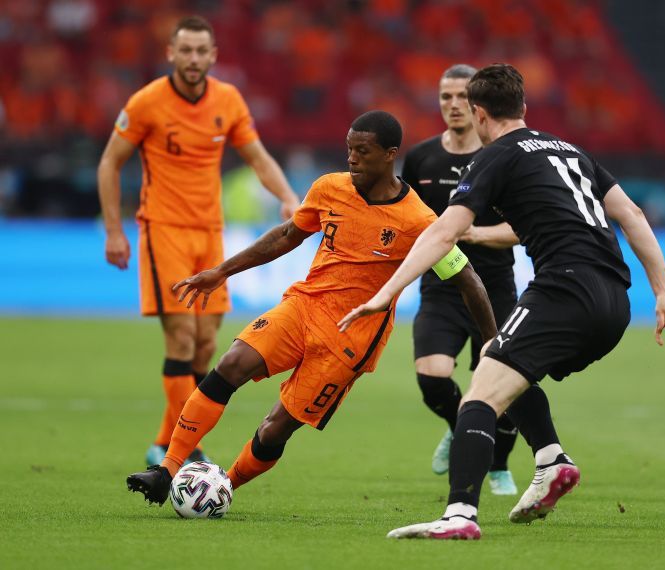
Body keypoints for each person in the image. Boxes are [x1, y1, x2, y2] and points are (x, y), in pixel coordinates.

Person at [339, 64, 665, 540]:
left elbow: (444, 232)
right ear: (524, 108)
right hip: (616, 299)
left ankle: (459, 515)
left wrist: (387, 292)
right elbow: (629, 214)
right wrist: (663, 289)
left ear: (478, 113)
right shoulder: (570, 150)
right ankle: (550, 459)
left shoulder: (494, 157)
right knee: (499, 360)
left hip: (564, 290)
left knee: (480, 394)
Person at [125, 110, 498, 505]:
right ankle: (166, 470)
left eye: (362, 151)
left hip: (351, 338)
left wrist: (492, 342)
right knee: (232, 363)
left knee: (274, 429)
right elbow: (287, 235)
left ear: (389, 155)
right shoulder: (329, 188)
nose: (351, 158)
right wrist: (221, 271)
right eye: (349, 149)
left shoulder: (419, 221)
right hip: (304, 306)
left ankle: (223, 488)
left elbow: (468, 279)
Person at [97, 16, 299, 467]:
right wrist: (114, 231)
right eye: (184, 50)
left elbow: (257, 157)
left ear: (213, 56)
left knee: (208, 343)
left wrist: (287, 197)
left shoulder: (227, 100)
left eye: (200, 51)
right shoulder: (148, 102)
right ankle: (184, 450)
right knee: (182, 337)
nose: (192, 59)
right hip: (162, 230)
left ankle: (164, 440)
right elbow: (110, 163)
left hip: (209, 233)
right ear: (170, 53)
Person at [401, 64, 520, 495]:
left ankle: (500, 467)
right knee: (432, 376)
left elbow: (525, 229)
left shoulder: (505, 157)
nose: (452, 106)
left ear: (478, 106)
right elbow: (406, 217)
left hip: (496, 287)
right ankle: (461, 426)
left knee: (507, 385)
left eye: (460, 98)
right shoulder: (421, 158)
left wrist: (472, 233)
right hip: (442, 286)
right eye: (444, 97)